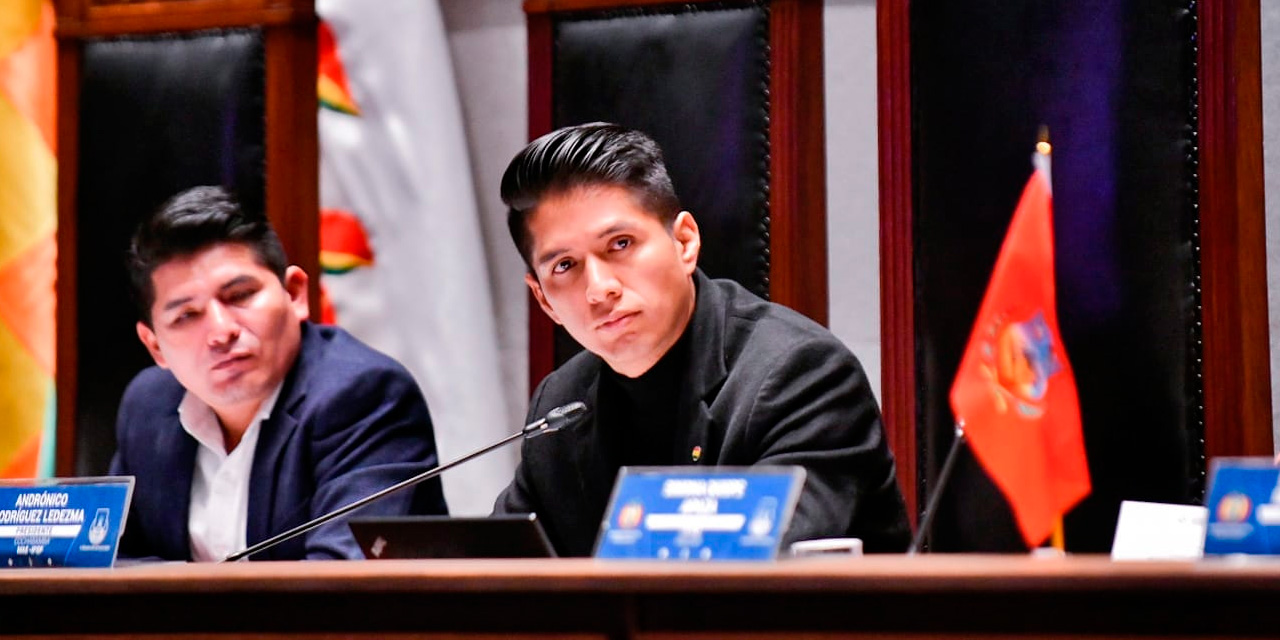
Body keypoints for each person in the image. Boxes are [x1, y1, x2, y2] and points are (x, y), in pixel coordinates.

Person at [493, 123, 911, 556]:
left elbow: (756, 567)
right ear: (543, 299)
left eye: (620, 243)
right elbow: (497, 572)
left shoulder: (803, 375)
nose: (599, 288)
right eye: (564, 265)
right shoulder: (560, 408)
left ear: (684, 241)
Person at [110, 186, 447, 561]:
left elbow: (342, 585)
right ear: (155, 345)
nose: (222, 332)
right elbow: (103, 564)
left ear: (296, 294)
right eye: (187, 316)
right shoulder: (147, 407)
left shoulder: (364, 396)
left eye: (240, 295)